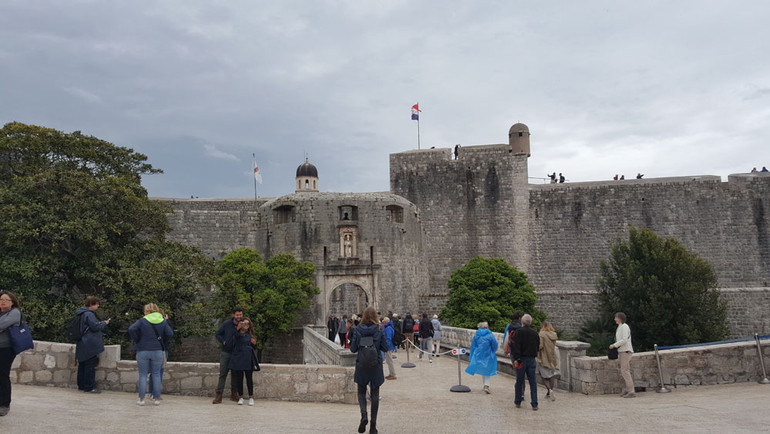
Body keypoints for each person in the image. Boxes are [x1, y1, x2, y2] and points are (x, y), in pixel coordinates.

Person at [350, 306, 389, 434]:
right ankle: (373, 426)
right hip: (375, 364)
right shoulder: (379, 329)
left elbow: (353, 349)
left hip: (362, 364)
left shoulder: (357, 329)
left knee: (361, 392)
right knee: (375, 395)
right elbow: (385, 347)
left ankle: (364, 415)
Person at [128, 303, 173, 406]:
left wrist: (137, 339)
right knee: (156, 374)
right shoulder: (163, 321)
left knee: (143, 375)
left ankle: (141, 399)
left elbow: (131, 329)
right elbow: (170, 333)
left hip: (143, 350)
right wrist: (162, 341)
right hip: (157, 350)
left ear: (147, 311)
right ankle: (156, 399)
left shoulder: (142, 320)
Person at [75, 296, 109, 394]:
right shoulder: (89, 314)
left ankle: (81, 385)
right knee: (89, 365)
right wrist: (104, 323)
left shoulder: (81, 313)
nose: (98, 306)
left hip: (82, 341)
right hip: (89, 343)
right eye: (96, 304)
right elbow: (95, 327)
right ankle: (89, 387)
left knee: (82, 364)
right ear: (91, 304)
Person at [212, 307, 243, 404]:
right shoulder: (226, 324)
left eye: (240, 315)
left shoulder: (244, 325)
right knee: (223, 373)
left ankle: (234, 394)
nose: (239, 317)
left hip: (237, 353)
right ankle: (219, 395)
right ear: (233, 315)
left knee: (235, 374)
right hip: (226, 352)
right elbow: (218, 334)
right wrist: (223, 341)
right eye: (237, 315)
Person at [0, 291, 22, 416]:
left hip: (6, 349)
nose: (3, 302)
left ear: (12, 302)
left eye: (6, 300)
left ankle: (4, 404)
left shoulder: (14, 313)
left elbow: (2, 325)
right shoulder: (1, 313)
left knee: (3, 375)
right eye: (1, 299)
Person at [512, 314, 539, 410]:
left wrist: (516, 358)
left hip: (521, 359)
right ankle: (534, 403)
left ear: (522, 322)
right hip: (531, 359)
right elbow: (537, 346)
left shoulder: (518, 332)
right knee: (533, 382)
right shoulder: (535, 333)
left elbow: (516, 346)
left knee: (519, 381)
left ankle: (518, 401)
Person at [229, 317, 258, 406]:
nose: (246, 325)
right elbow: (232, 340)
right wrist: (237, 328)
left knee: (249, 378)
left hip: (248, 359)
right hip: (239, 358)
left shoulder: (251, 335)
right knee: (239, 378)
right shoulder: (237, 334)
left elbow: (254, 347)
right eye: (244, 323)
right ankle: (240, 397)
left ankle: (251, 397)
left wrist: (254, 343)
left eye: (247, 324)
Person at [464, 321, 498, 394]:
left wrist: (472, 355)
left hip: (479, 354)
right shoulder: (490, 335)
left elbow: (473, 346)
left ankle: (485, 385)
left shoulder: (477, 335)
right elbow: (495, 345)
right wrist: (493, 351)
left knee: (483, 369)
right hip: (488, 354)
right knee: (487, 370)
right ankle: (486, 386)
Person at [609, 312, 635, 398]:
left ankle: (631, 391)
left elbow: (624, 339)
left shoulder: (624, 327)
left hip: (625, 351)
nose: (614, 319)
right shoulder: (621, 326)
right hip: (622, 351)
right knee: (625, 370)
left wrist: (614, 345)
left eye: (616, 318)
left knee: (625, 371)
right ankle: (628, 389)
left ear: (619, 318)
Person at [536, 321, 559, 401]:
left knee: (543, 375)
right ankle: (550, 392)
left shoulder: (541, 334)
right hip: (552, 357)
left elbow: (540, 346)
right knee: (551, 375)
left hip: (543, 357)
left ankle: (549, 390)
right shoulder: (554, 334)